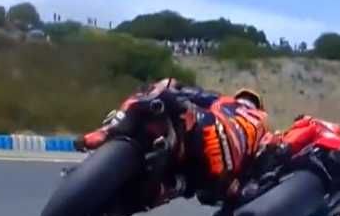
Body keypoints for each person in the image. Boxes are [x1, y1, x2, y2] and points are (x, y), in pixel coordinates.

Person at [74, 78, 270, 207]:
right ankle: (164, 188)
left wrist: (171, 90)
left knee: (151, 95)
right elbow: (261, 161)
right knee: (184, 186)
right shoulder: (262, 124)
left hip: (205, 130)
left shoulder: (222, 101)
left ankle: (106, 132)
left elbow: (178, 89)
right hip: (218, 167)